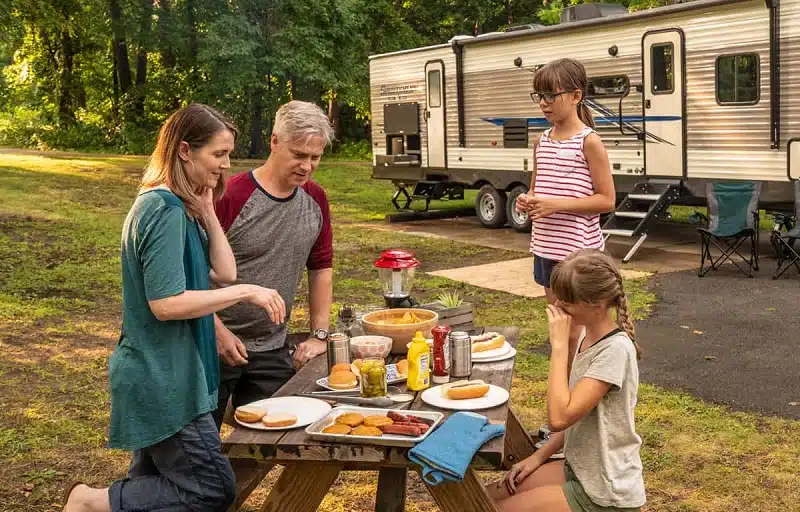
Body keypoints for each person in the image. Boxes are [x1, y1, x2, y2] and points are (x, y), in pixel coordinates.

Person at [63, 104, 287, 512]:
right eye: (218, 154)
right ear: (185, 150)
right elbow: (166, 304)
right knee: (211, 489)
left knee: (152, 487)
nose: (226, 164)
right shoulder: (161, 209)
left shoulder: (179, 208)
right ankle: (88, 501)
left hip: (175, 372)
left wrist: (206, 212)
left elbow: (224, 270)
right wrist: (246, 293)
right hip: (164, 378)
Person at [488, 249, 645, 512]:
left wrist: (559, 347)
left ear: (597, 304)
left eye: (567, 302)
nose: (557, 307)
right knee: (487, 498)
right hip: (579, 468)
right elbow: (577, 417)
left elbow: (559, 417)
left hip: (603, 491)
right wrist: (538, 457)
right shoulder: (587, 334)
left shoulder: (614, 351)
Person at [212, 100, 335, 428]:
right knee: (200, 453)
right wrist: (218, 332)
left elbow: (321, 268)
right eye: (298, 154)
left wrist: (319, 335)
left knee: (276, 440)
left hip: (270, 347)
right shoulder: (231, 196)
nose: (306, 166)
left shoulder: (316, 199)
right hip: (211, 345)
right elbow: (188, 271)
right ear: (274, 142)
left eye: (315, 157)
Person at [516, 58, 617, 305]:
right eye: (539, 95)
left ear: (575, 96)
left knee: (577, 326)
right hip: (544, 248)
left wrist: (556, 205)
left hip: (577, 254)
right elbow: (535, 189)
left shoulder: (588, 141)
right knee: (557, 321)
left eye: (551, 95)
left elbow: (607, 200)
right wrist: (526, 200)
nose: (543, 102)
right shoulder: (541, 141)